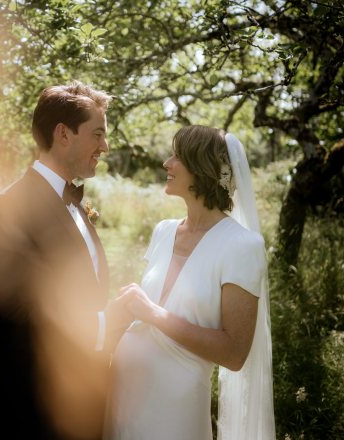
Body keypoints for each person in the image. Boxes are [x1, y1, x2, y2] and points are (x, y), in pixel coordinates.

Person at [0, 80, 131, 440]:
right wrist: (102, 323)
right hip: (33, 414)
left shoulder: (78, 203)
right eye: (97, 134)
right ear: (64, 134)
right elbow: (6, 318)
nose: (105, 146)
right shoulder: (8, 208)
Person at [105, 126, 275, 440]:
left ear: (202, 168)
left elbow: (235, 353)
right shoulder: (163, 231)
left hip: (173, 413)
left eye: (177, 157)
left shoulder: (241, 245)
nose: (166, 163)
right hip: (123, 399)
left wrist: (151, 312)